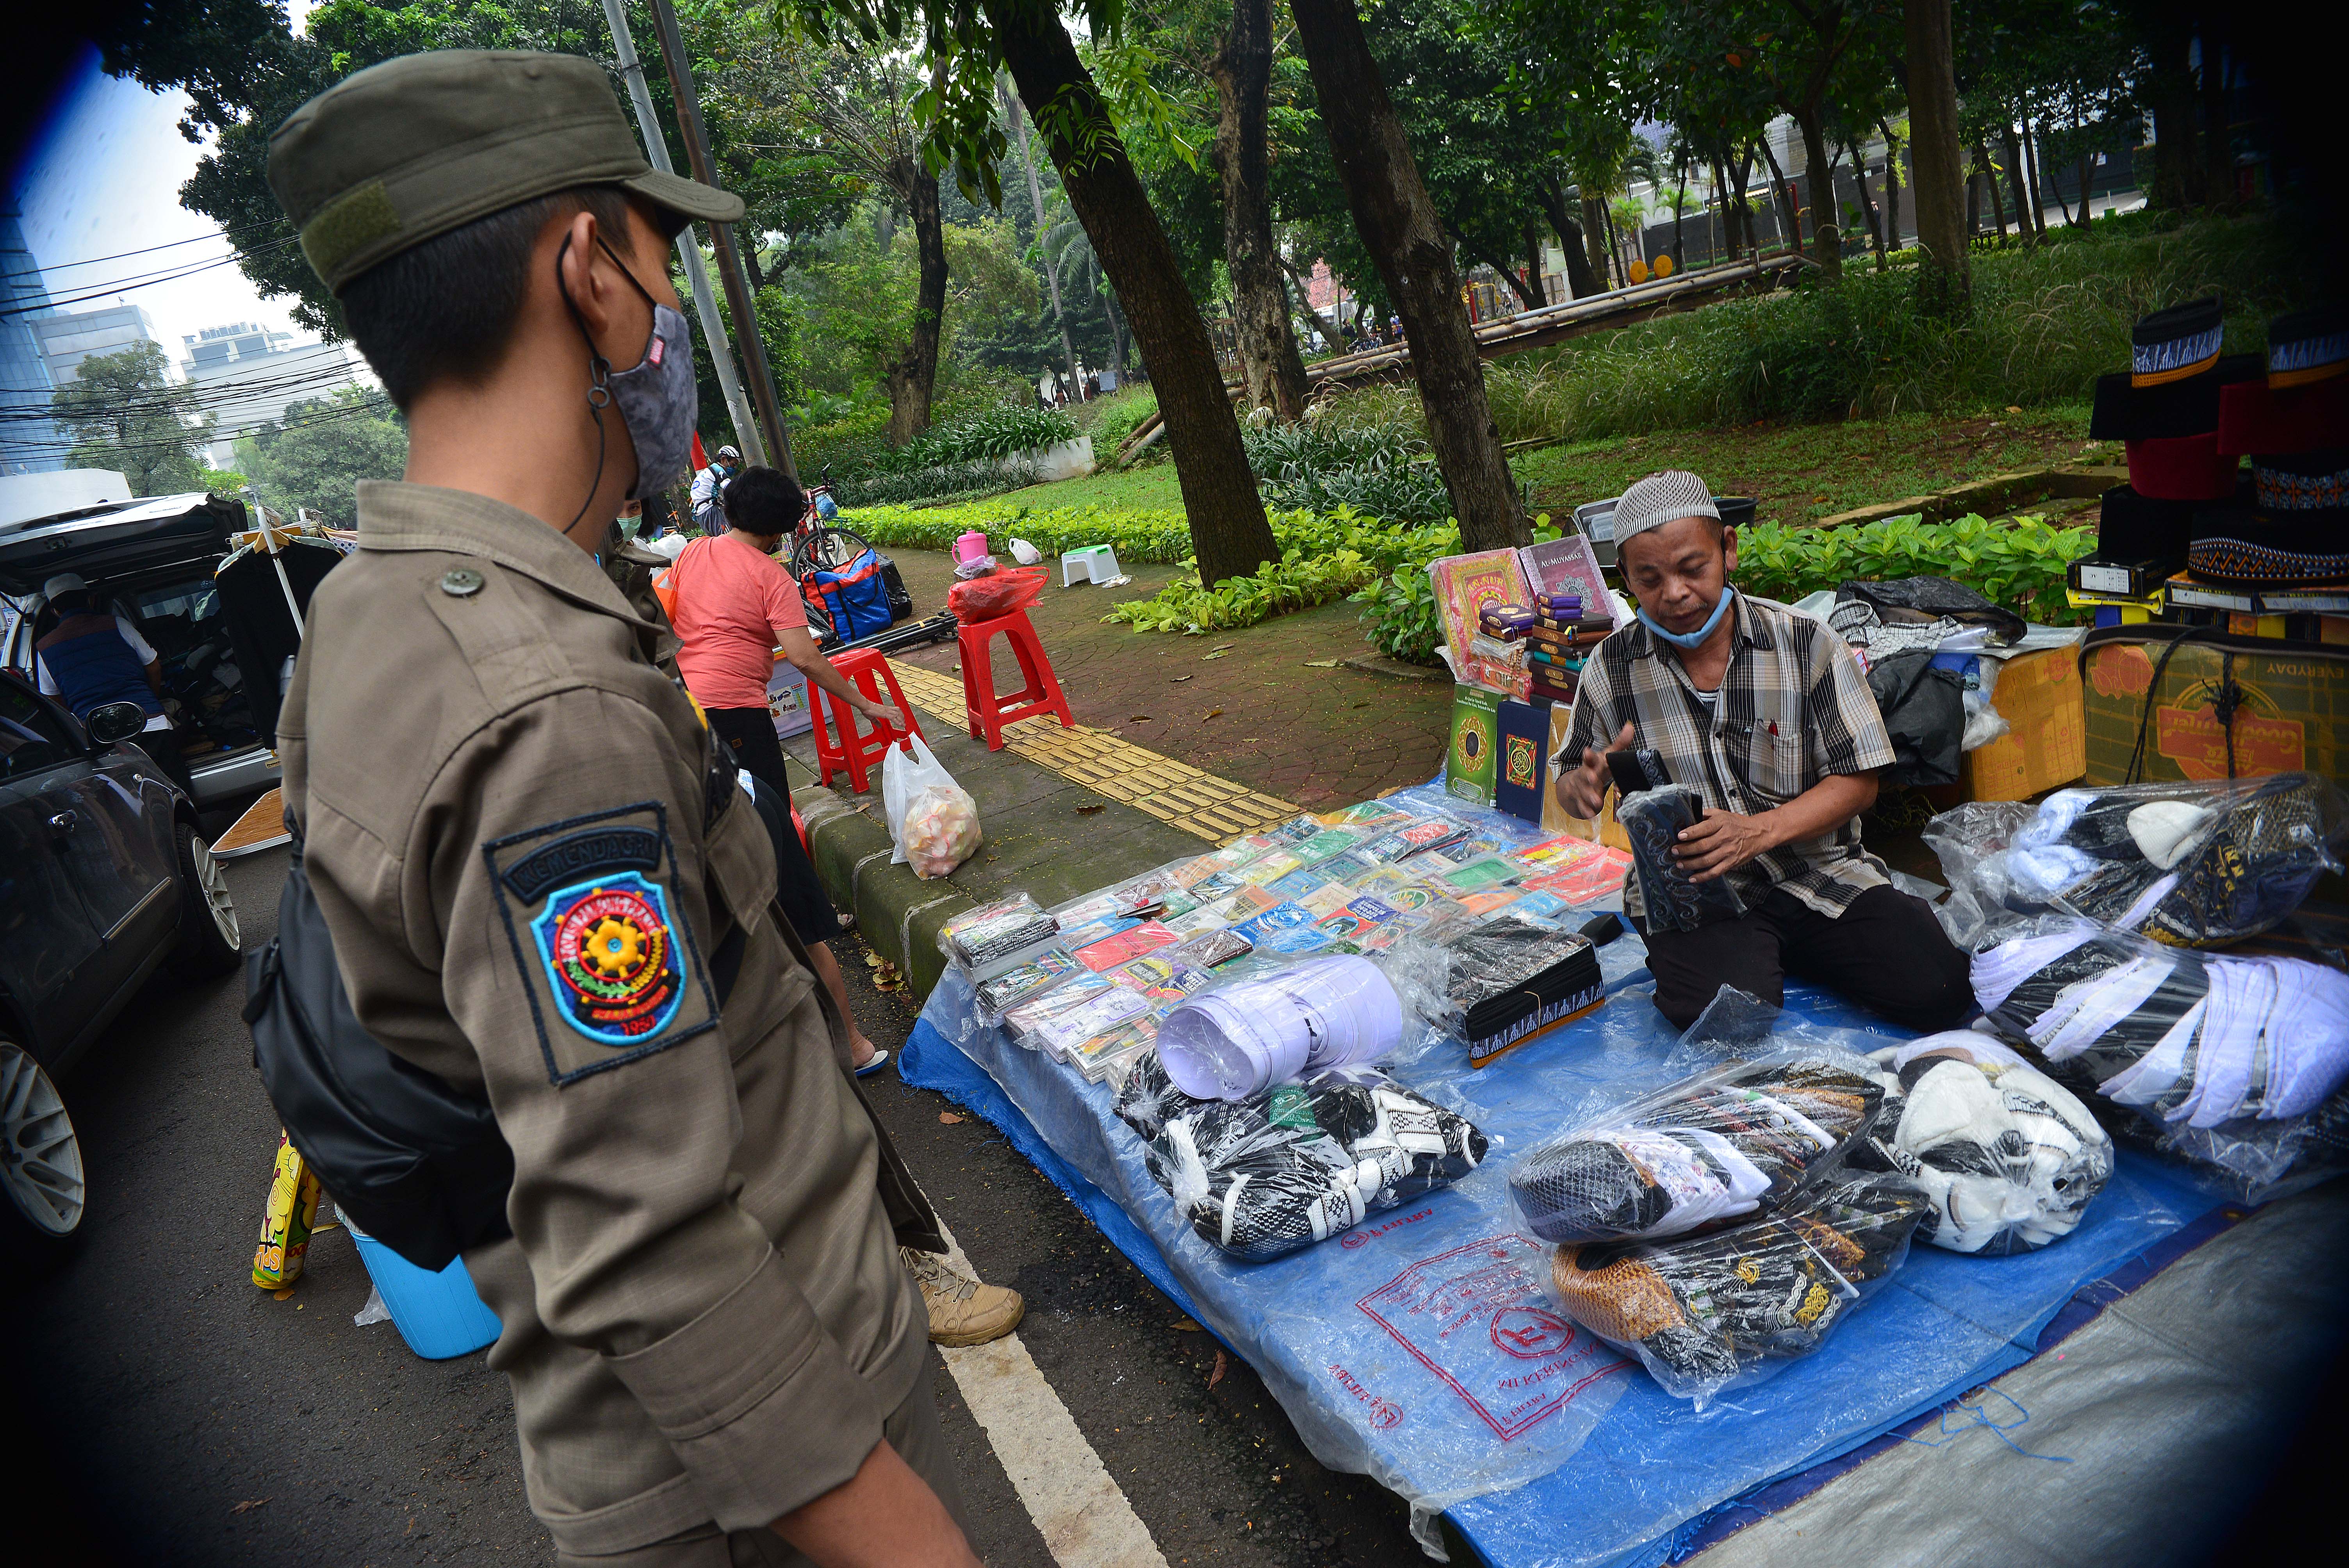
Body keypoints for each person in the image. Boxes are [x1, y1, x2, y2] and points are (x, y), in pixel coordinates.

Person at [264, 50, 989, 1567]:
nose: (666, 326)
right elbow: (647, 1238)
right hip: (758, 1488)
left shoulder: (367, 618)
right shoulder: (543, 702)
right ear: (586, 270)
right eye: (658, 272)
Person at [1551, 469, 1972, 1033]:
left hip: (1819, 871)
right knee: (1724, 1019)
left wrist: (1760, 831)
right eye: (1648, 579)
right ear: (1625, 577)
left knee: (1943, 989)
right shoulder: (1611, 671)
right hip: (1693, 891)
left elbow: (1860, 781)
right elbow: (1570, 784)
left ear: (1728, 549)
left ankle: (1784, 949)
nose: (1674, 594)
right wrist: (1581, 788)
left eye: (1692, 568)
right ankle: (1754, 958)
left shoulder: (1808, 644)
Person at [665, 463, 906, 1075]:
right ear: (781, 532)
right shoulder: (771, 575)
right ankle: (848, 1039)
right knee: (774, 849)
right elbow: (803, 656)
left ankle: (802, 917)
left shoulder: (694, 553)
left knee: (739, 836)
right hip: (740, 721)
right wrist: (865, 703)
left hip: (688, 716)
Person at [33, 571, 191, 791]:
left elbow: (52, 698)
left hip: (99, 739)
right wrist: (151, 699)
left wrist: (82, 720)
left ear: (55, 611)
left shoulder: (44, 648)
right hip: (150, 724)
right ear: (89, 599)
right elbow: (154, 665)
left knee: (128, 800)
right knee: (176, 790)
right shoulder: (117, 624)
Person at [690, 442, 738, 532]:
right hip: (711, 511)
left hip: (701, 515)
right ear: (724, 459)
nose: (735, 468)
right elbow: (731, 489)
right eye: (733, 464)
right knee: (729, 539)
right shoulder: (717, 470)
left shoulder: (705, 473)